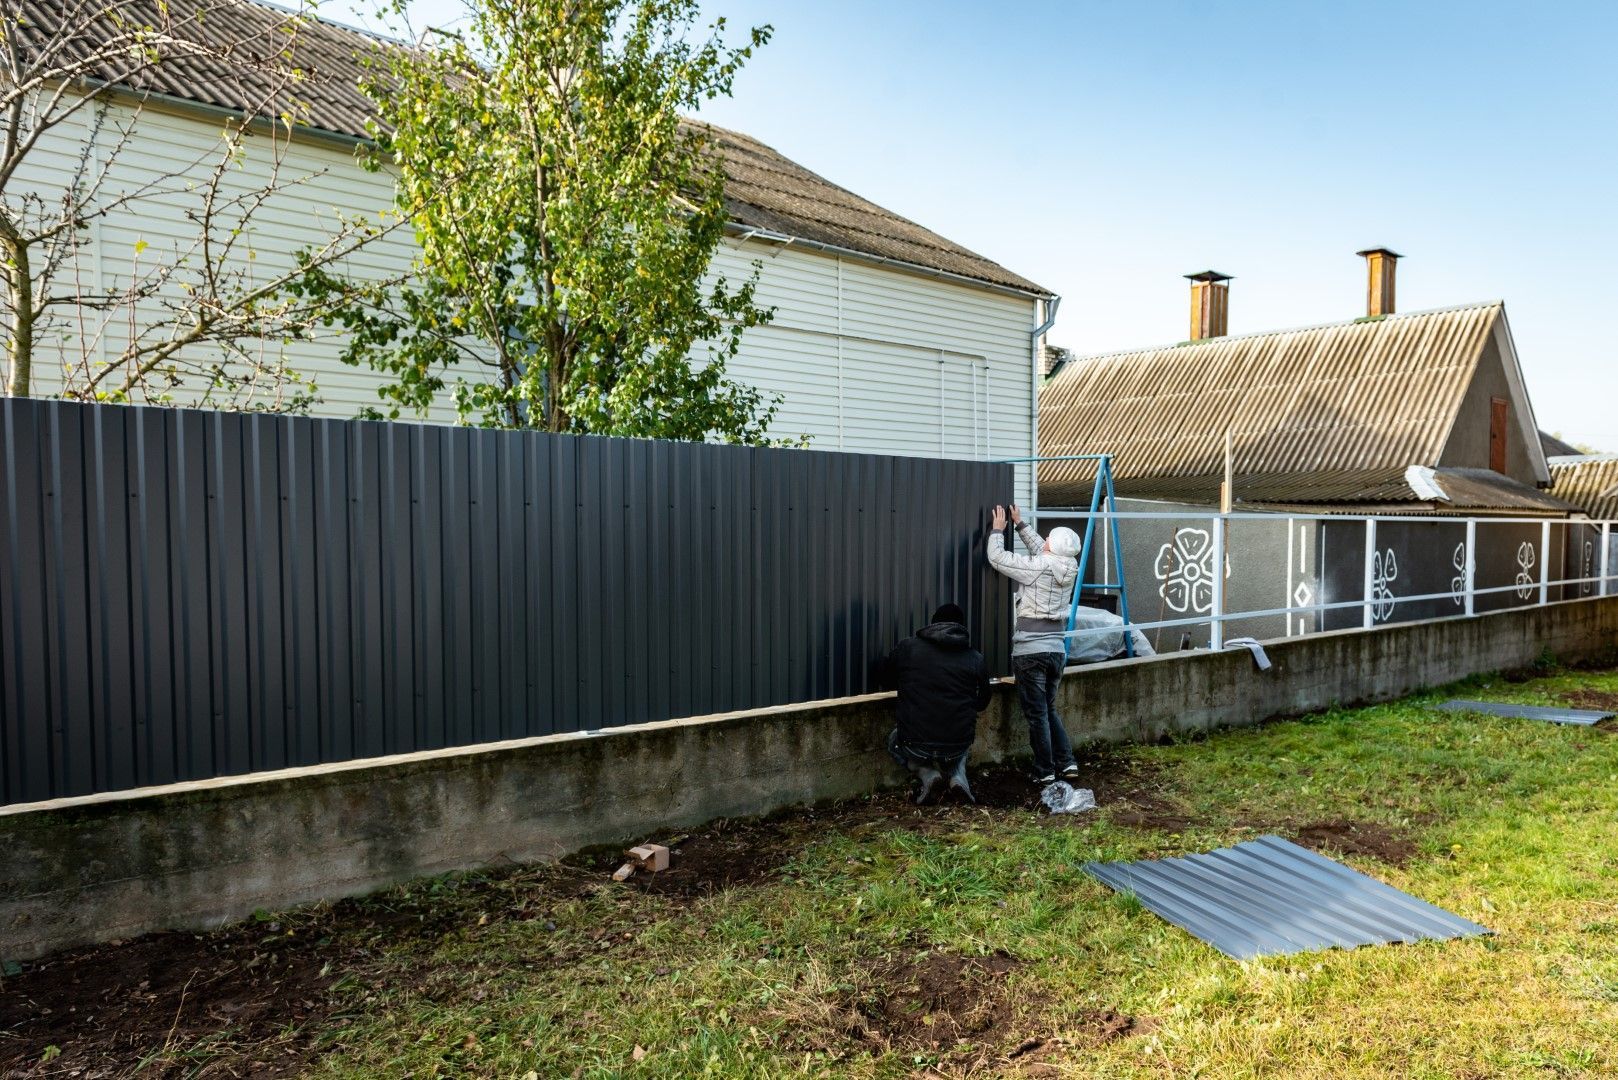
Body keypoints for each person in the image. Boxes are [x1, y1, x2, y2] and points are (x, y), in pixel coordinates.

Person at [986, 504, 1083, 784]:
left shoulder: (1039, 567)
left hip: (1030, 650)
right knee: (1049, 710)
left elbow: (998, 558)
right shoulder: (1070, 566)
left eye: (1049, 538)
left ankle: (1045, 771)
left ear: (1053, 545)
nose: (1046, 540)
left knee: (1037, 716)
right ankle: (1067, 763)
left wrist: (997, 531)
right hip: (1056, 650)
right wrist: (1020, 525)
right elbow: (1045, 549)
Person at [875, 603, 992, 805]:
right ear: (961, 628)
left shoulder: (908, 648)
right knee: (964, 737)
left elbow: (885, 678)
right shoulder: (975, 658)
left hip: (915, 745)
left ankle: (928, 774)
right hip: (956, 744)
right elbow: (982, 702)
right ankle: (958, 778)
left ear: (932, 624)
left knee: (894, 741)